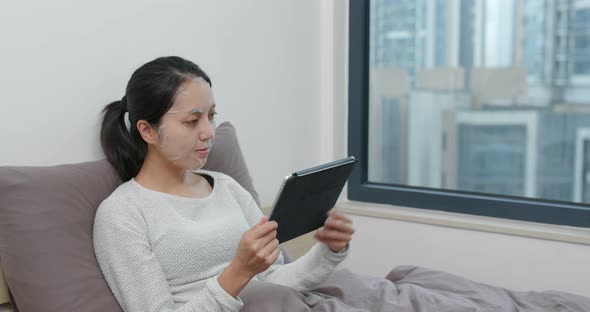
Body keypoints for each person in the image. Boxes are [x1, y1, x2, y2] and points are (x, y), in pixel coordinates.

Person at [93, 56, 355, 312]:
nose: (209, 132)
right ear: (147, 130)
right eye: (192, 121)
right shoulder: (122, 214)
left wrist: (329, 250)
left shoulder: (226, 187)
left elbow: (274, 282)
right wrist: (239, 271)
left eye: (211, 116)